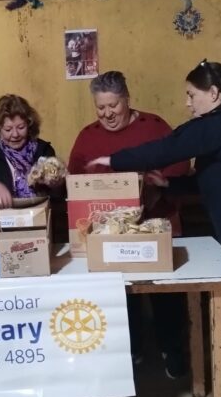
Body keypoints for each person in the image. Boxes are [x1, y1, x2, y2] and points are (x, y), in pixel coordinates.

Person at [87, 61, 221, 397]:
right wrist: (168, 183)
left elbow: (166, 147)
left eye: (192, 95)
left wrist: (113, 161)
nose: (188, 103)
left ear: (214, 94)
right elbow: (214, 181)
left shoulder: (217, 125)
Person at [68, 70, 191, 378]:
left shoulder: (155, 126)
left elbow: (181, 162)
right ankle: (131, 350)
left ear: (127, 99)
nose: (108, 114)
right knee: (118, 293)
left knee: (166, 293)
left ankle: (172, 349)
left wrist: (158, 182)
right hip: (109, 233)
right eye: (101, 107)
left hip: (156, 224)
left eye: (114, 105)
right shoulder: (88, 136)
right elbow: (75, 177)